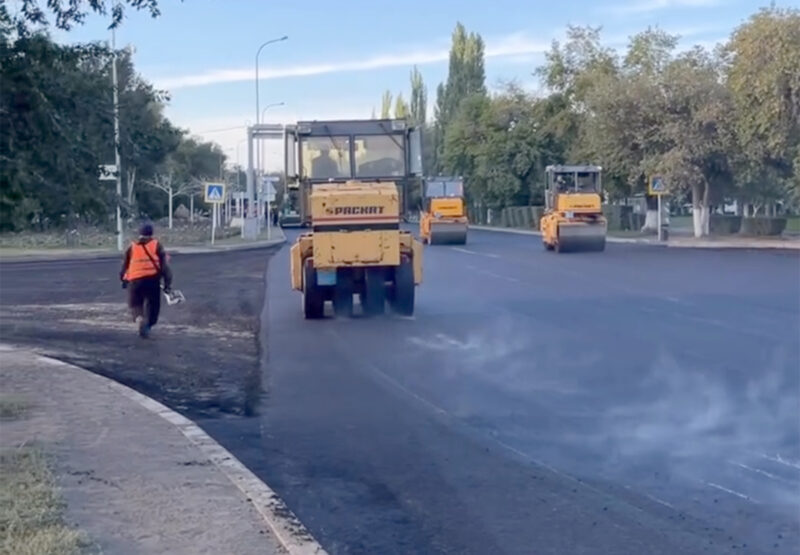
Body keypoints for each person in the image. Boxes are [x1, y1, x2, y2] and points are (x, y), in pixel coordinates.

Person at [120, 223, 173, 338]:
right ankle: (148, 324)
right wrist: (167, 284)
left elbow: (124, 265)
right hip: (152, 280)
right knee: (153, 305)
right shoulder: (156, 245)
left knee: (135, 304)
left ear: (139, 234)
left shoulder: (131, 247)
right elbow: (165, 267)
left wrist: (123, 280)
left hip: (134, 281)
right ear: (151, 233)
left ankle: (139, 319)